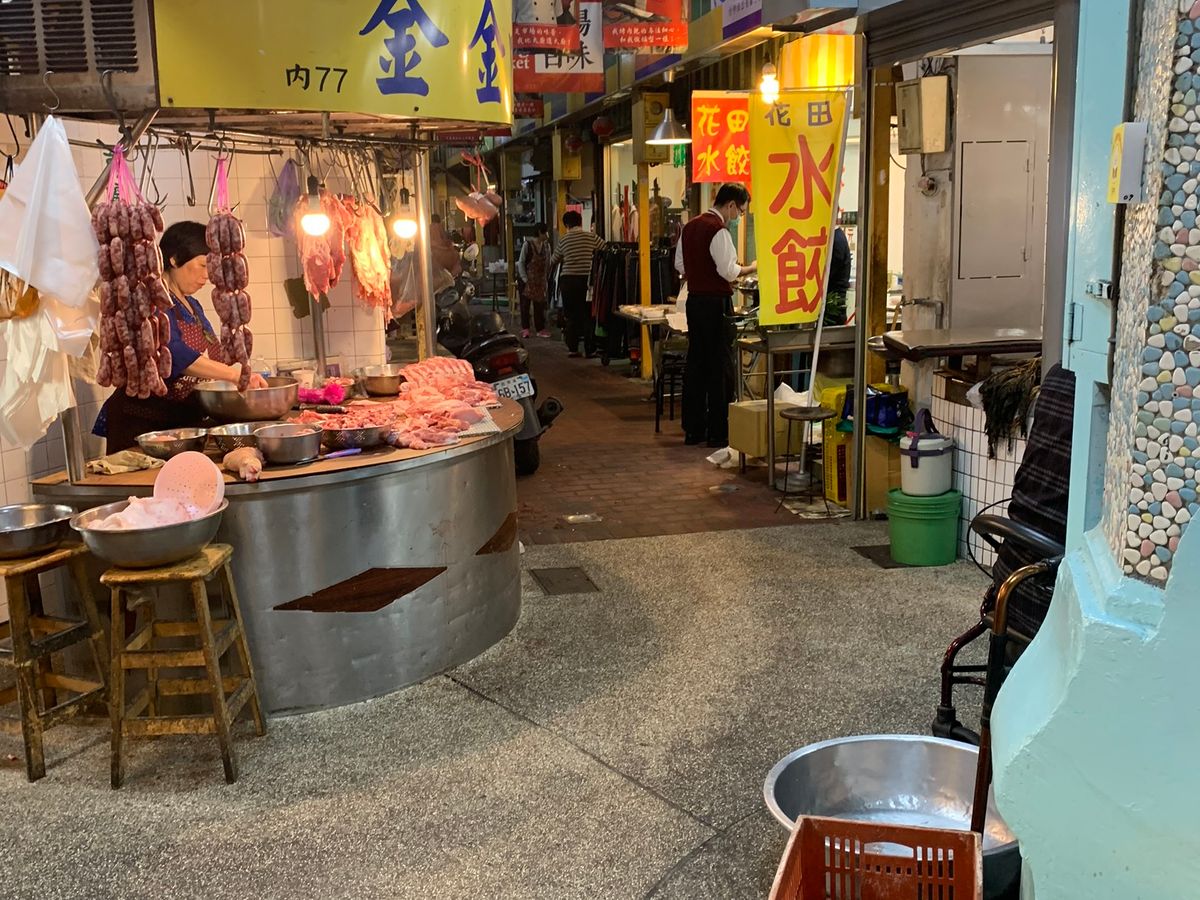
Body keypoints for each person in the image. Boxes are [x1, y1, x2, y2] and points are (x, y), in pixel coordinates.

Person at [93, 221, 268, 452]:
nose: (207, 275)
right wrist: (236, 376)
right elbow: (174, 353)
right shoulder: (151, 300)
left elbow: (208, 357)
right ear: (174, 260)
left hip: (180, 425)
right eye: (202, 265)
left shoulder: (193, 305)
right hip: (143, 424)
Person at [675, 183, 757, 447]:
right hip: (716, 304)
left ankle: (693, 429)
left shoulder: (690, 227)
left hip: (695, 302)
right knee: (720, 366)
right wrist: (751, 268)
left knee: (696, 363)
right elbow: (728, 271)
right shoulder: (718, 230)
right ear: (731, 204)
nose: (738, 217)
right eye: (740, 211)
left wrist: (699, 273)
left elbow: (679, 264)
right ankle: (718, 432)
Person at [550, 210, 605, 358]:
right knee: (587, 314)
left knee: (571, 316)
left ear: (566, 225)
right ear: (580, 222)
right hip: (586, 281)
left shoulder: (564, 240)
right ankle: (590, 349)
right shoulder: (591, 237)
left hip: (568, 281)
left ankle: (573, 349)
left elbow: (553, 260)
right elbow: (605, 248)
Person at [517, 223, 553, 338]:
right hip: (527, 279)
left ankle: (540, 328)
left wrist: (546, 278)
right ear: (539, 233)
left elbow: (548, 263)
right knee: (525, 305)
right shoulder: (527, 245)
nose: (547, 235)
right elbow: (521, 262)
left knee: (539, 305)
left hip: (540, 280)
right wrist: (524, 278)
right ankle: (525, 329)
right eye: (545, 232)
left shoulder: (547, 246)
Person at [825, 226, 851, 326]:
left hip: (833, 306)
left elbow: (829, 273)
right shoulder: (837, 236)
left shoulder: (836, 239)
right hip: (833, 305)